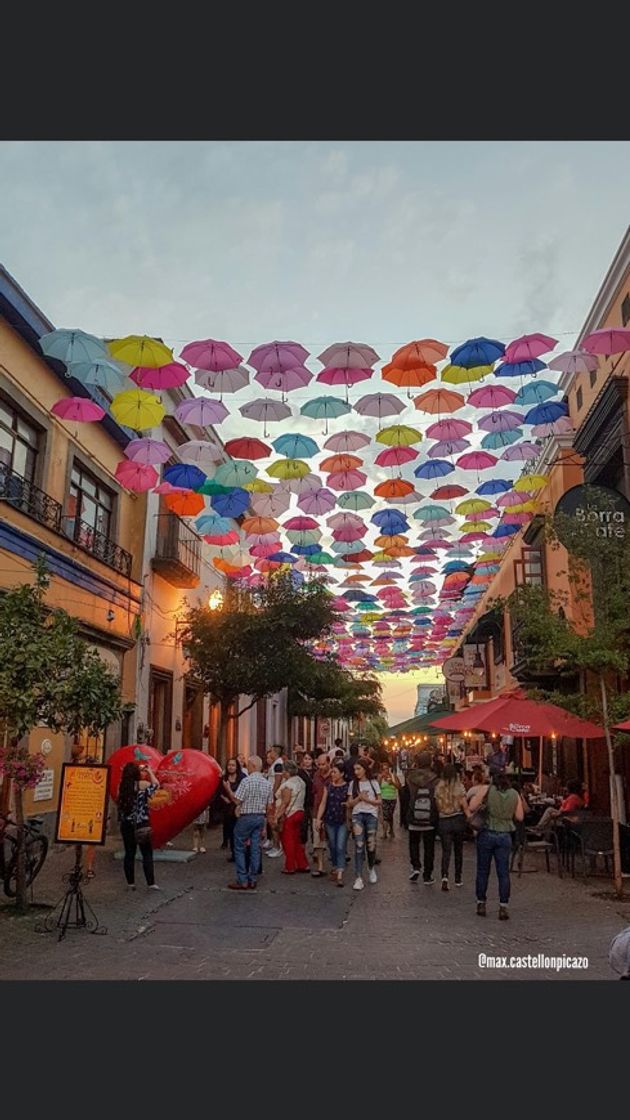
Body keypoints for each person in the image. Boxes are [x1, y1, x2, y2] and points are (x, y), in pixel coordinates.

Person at [469, 771, 524, 919]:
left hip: (487, 833)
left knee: (482, 870)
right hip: (505, 835)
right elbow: (520, 816)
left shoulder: (486, 789)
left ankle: (481, 903)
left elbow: (472, 806)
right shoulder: (514, 794)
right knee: (503, 873)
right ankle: (503, 907)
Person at [228, 756, 274, 891]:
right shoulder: (267, 784)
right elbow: (269, 805)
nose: (247, 767)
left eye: (248, 765)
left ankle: (242, 879)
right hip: (259, 817)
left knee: (239, 847)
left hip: (246, 816)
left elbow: (237, 800)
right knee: (255, 848)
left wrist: (229, 790)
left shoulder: (246, 782)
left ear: (253, 766)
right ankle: (253, 878)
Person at [117, 761, 160, 891]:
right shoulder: (142, 788)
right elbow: (156, 785)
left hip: (126, 825)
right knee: (147, 854)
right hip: (142, 824)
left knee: (129, 853)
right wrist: (149, 771)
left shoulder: (121, 789)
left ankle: (131, 883)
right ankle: (150, 883)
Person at [347, 759, 381, 890]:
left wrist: (366, 799)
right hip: (358, 815)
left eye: (358, 769)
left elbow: (380, 801)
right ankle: (358, 877)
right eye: (355, 769)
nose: (356, 772)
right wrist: (359, 798)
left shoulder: (373, 783)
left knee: (371, 845)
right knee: (359, 845)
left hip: (371, 815)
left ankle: (371, 867)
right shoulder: (353, 784)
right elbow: (349, 803)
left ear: (365, 769)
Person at [434, 764, 470, 890]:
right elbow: (464, 805)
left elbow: (437, 806)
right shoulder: (459, 787)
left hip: (444, 820)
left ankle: (444, 876)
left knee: (446, 850)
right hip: (458, 819)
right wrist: (470, 817)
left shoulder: (438, 787)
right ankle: (458, 878)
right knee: (458, 850)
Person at [405, 751, 438, 884]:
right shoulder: (435, 779)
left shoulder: (410, 777)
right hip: (430, 816)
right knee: (429, 846)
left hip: (414, 814)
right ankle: (427, 874)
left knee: (414, 842)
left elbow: (405, 796)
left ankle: (415, 866)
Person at [315, 761, 349, 887]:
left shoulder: (347, 787)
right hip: (330, 819)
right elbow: (323, 803)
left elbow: (350, 803)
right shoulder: (328, 786)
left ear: (342, 774)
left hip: (342, 820)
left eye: (335, 772)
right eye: (332, 772)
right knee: (333, 845)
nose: (332, 774)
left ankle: (340, 873)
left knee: (340, 846)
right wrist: (319, 818)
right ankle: (335, 866)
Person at [276, 760, 309, 874]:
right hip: (299, 811)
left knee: (288, 841)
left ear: (286, 772)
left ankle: (290, 866)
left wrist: (277, 816)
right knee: (296, 840)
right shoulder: (300, 781)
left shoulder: (287, 784)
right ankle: (302, 863)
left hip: (289, 814)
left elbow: (285, 802)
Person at [220, 757, 246, 861]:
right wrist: (224, 798)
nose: (231, 767)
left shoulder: (242, 778)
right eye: (229, 765)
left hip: (238, 807)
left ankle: (240, 852)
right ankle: (233, 852)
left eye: (233, 765)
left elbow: (241, 794)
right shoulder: (224, 778)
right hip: (227, 808)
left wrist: (231, 795)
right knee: (229, 830)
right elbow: (219, 791)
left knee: (238, 831)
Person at [310, 752, 331, 877]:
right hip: (317, 810)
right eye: (319, 764)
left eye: (323, 764)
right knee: (317, 840)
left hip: (331, 812)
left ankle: (335, 866)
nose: (321, 767)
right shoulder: (316, 775)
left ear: (329, 763)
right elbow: (314, 792)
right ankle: (320, 867)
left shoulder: (334, 775)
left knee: (332, 841)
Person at [264, 745, 285, 858]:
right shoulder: (276, 764)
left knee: (274, 822)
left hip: (275, 797)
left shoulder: (278, 765)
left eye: (271, 750)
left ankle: (278, 847)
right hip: (273, 796)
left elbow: (277, 780)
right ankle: (275, 845)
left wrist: (272, 795)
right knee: (271, 822)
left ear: (274, 752)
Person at [379, 761, 400, 840]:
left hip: (392, 798)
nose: (385, 771)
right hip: (384, 798)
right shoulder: (380, 777)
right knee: (385, 816)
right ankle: (384, 833)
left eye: (387, 769)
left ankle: (391, 829)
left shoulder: (393, 776)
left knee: (390, 815)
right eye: (383, 769)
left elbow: (399, 787)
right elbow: (377, 788)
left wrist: (392, 783)